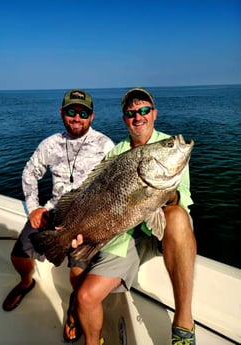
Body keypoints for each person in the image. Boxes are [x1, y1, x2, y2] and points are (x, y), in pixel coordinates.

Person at [70, 88, 197, 345]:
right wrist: (80, 231)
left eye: (143, 110)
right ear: (125, 119)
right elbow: (96, 198)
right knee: (84, 296)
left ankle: (184, 321)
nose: (138, 117)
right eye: (131, 113)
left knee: (178, 216)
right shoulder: (116, 154)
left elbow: (182, 196)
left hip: (165, 231)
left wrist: (164, 196)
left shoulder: (166, 149)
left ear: (154, 114)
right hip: (124, 233)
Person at [2, 89, 115, 343]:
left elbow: (113, 185)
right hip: (53, 213)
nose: (77, 117)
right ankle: (26, 283)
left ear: (92, 116)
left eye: (83, 112)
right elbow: (29, 174)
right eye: (71, 111)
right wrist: (33, 208)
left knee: (77, 276)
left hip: (87, 220)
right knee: (18, 255)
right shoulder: (50, 144)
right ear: (62, 113)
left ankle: (74, 310)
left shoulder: (106, 145)